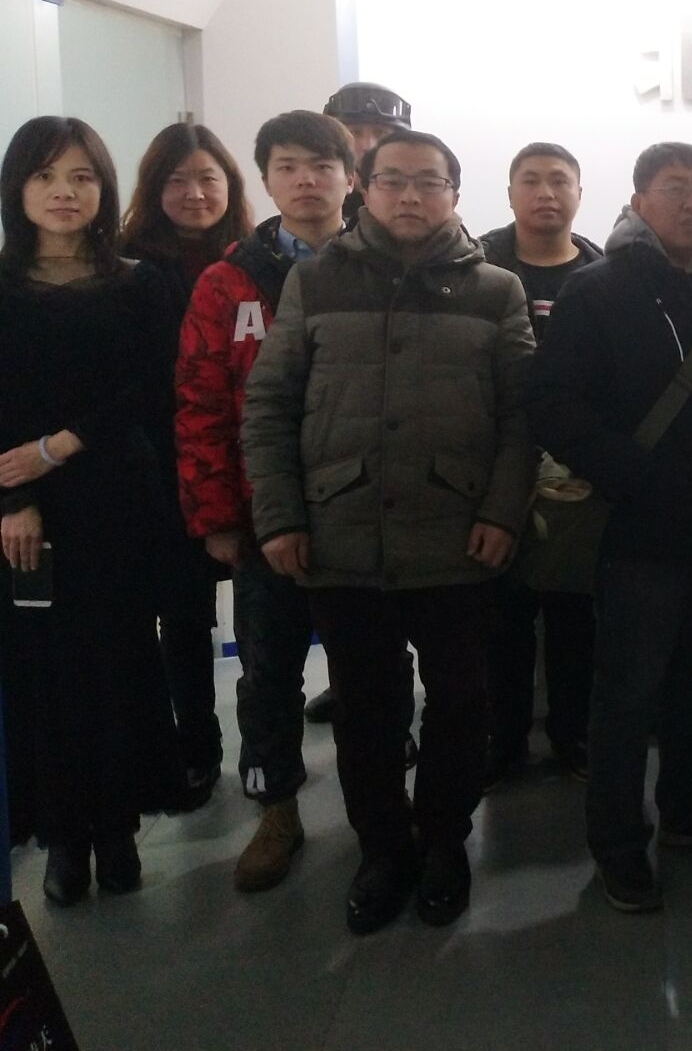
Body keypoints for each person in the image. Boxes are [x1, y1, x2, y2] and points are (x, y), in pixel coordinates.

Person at [243, 129, 536, 933]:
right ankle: (382, 850)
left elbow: (522, 417)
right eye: (393, 180)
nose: (411, 196)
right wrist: (280, 516)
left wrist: (501, 511)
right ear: (364, 189)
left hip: (458, 536)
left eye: (429, 182)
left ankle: (443, 841)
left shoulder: (495, 290)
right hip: (342, 533)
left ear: (454, 195)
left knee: (461, 704)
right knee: (367, 709)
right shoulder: (315, 280)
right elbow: (268, 405)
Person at [531, 143, 692, 913]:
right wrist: (634, 476)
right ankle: (617, 843)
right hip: (642, 532)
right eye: (675, 189)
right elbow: (554, 407)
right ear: (639, 202)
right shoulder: (598, 290)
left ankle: (688, 812)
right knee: (627, 696)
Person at [0, 117, 178, 905]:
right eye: (45, 176)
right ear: (17, 189)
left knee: (120, 664)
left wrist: (62, 445)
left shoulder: (140, 282)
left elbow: (153, 386)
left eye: (81, 176)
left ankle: (118, 829)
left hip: (117, 499)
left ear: (104, 189)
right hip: (23, 514)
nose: (64, 192)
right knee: (44, 676)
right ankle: (63, 837)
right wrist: (18, 496)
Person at [174, 111, 354, 891]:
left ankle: (380, 804)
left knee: (370, 668)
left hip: (364, 512)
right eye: (288, 166)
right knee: (268, 672)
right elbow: (201, 403)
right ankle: (276, 808)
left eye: (322, 165)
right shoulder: (228, 281)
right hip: (262, 515)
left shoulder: (383, 266)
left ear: (350, 176)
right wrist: (216, 516)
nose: (306, 180)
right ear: (266, 179)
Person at [121, 122, 255, 808]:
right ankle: (198, 747)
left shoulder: (256, 259)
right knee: (183, 615)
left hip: (248, 458)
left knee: (263, 612)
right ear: (153, 190)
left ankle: (268, 750)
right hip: (162, 465)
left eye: (208, 178)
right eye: (176, 181)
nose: (195, 193)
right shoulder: (126, 266)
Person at [478, 142, 603, 788]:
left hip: (578, 474)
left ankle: (571, 734)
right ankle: (503, 742)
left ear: (580, 194)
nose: (546, 193)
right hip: (493, 464)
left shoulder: (603, 276)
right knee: (501, 618)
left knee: (575, 617)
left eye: (560, 181)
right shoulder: (474, 269)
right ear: (510, 194)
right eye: (531, 180)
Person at [306, 83, 412, 729]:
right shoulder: (314, 234)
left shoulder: (417, 218)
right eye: (355, 132)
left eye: (381, 133)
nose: (367, 143)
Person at [323, 82, 413, 228]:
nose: (368, 146)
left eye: (381, 133)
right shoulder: (306, 207)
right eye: (354, 133)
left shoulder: (419, 211)